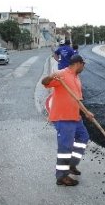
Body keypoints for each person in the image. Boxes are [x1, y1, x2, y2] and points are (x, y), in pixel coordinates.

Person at [41, 54, 94, 186]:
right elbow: (45, 82)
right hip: (63, 118)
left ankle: (71, 164)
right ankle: (62, 176)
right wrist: (51, 76)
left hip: (75, 117)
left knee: (83, 138)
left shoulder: (76, 77)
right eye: (83, 64)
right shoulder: (62, 74)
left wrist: (86, 112)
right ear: (78, 63)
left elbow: (77, 99)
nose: (84, 67)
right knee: (65, 147)